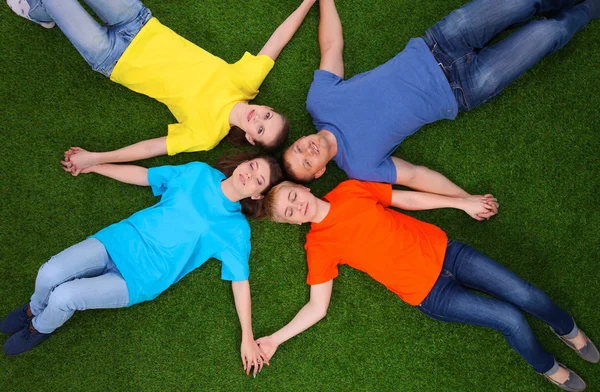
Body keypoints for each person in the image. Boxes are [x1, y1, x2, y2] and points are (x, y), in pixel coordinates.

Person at [257, 180, 599, 391]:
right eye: (290, 212)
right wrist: (273, 339)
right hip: (432, 294)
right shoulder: (317, 247)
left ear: (302, 187)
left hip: (450, 253)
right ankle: (547, 367)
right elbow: (317, 307)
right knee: (510, 319)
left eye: (291, 196)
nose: (296, 205)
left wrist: (460, 202)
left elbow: (404, 199)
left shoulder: (349, 190)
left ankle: (566, 327)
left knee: (525, 293)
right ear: (295, 221)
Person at [0, 151, 283, 377]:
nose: (250, 175)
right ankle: (33, 308)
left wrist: (247, 336)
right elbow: (147, 176)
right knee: (49, 272)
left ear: (257, 195)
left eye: (259, 181)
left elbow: (240, 280)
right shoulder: (198, 172)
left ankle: (38, 328)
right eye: (253, 166)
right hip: (119, 240)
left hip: (143, 278)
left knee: (65, 296)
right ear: (244, 162)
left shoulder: (235, 229)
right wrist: (95, 165)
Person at [282, 0, 599, 195]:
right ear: (320, 171)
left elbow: (332, 47)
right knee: (549, 34)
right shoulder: (360, 167)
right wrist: (463, 199)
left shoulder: (320, 102)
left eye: (298, 148)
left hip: (439, 42)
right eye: (307, 161)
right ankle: (586, 10)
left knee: (522, 1)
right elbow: (416, 176)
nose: (307, 149)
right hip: (465, 87)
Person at [6, 0, 317, 174]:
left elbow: (151, 148)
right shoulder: (246, 83)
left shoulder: (207, 135)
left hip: (111, 56)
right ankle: (42, 11)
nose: (258, 120)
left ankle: (37, 10)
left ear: (250, 138)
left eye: (261, 130)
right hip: (137, 21)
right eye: (267, 116)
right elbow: (278, 41)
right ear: (265, 107)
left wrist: (96, 158)